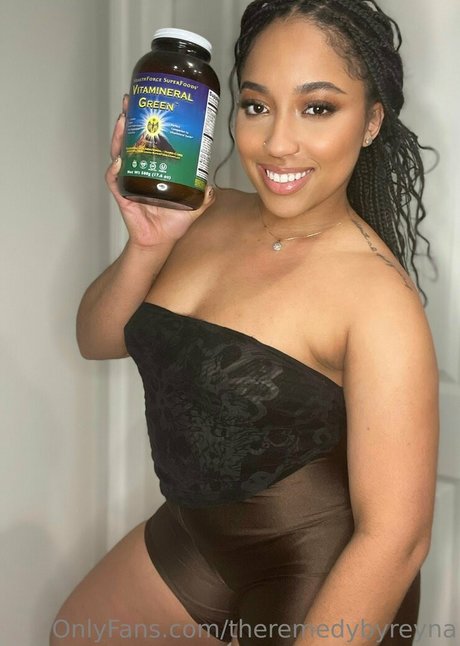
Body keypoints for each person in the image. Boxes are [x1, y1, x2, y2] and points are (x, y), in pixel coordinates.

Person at [50, 1, 440, 644]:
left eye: (318, 108)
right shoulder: (206, 212)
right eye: (257, 105)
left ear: (371, 121)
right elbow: (96, 339)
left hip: (318, 568)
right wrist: (146, 245)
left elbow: (397, 539)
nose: (277, 142)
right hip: (198, 535)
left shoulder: (377, 298)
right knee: (74, 634)